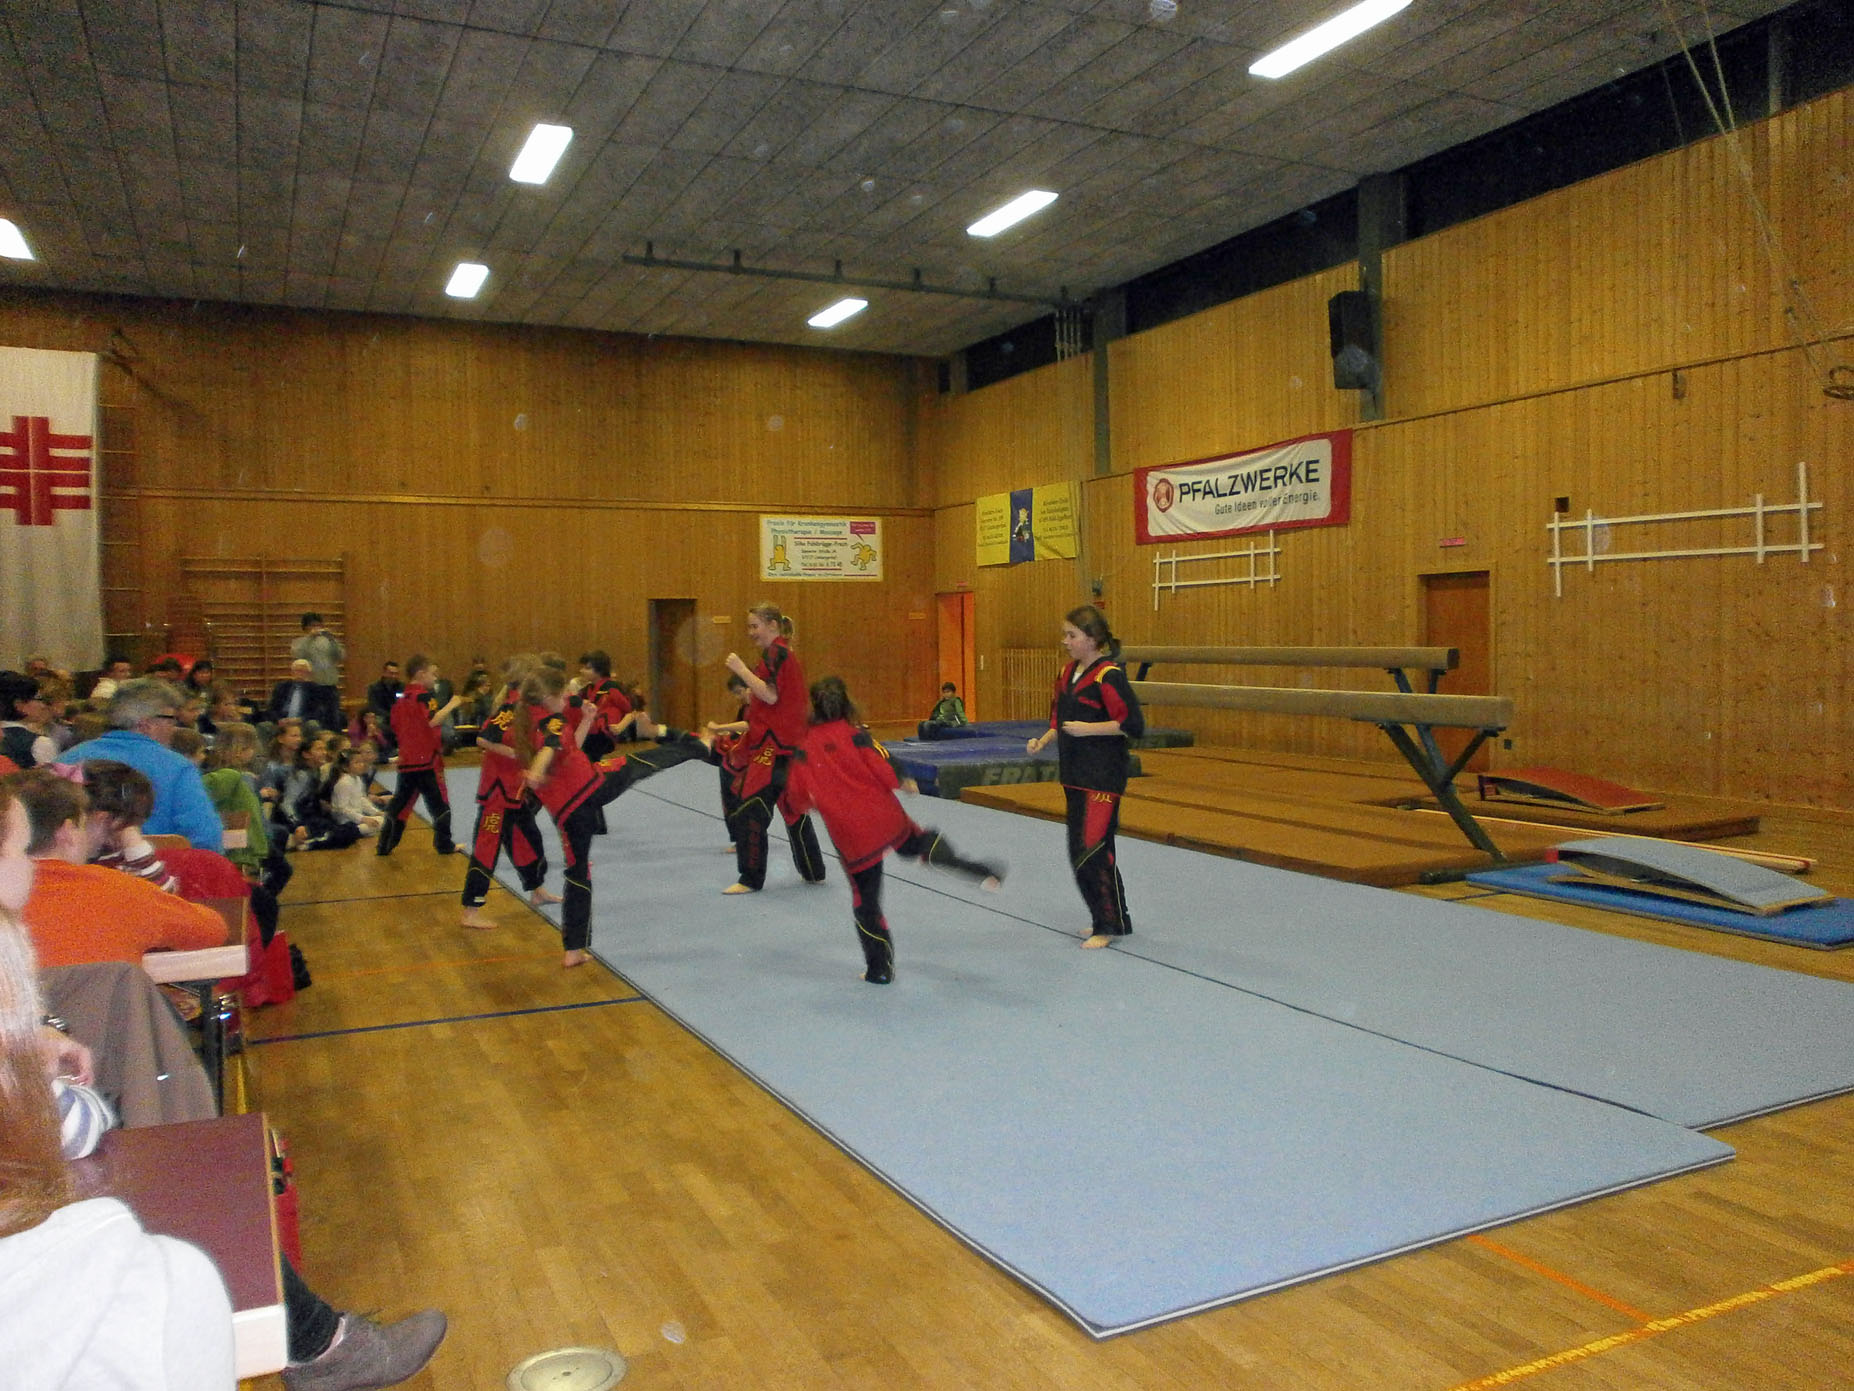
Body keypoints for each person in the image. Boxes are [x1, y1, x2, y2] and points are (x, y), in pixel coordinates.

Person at [786, 677, 1003, 984]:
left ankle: (879, 969)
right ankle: (969, 867)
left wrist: (807, 804)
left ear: (814, 707)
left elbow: (795, 797)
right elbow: (884, 770)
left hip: (852, 836)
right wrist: (903, 780)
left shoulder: (804, 748)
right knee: (918, 842)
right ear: (846, 704)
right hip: (885, 819)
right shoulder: (857, 736)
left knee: (866, 901)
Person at [512, 668, 710, 967]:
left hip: (567, 811)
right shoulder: (552, 721)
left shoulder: (529, 722)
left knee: (577, 874)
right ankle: (698, 746)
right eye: (563, 694)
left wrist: (587, 720)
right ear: (549, 697)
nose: (567, 699)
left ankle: (573, 950)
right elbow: (550, 748)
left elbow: (568, 748)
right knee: (640, 762)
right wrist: (537, 771)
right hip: (590, 788)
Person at [7, 766, 227, 969]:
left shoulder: (8, 904)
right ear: (67, 832)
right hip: (103, 1000)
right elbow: (213, 931)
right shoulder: (121, 890)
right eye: (82, 825)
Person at [1025, 605, 1145, 949]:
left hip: (1102, 776)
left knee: (1090, 849)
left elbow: (1132, 725)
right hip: (1074, 774)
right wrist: (1044, 739)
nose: (1065, 641)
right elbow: (1059, 718)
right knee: (1087, 849)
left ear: (1092, 640)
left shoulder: (1108, 676)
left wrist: (1088, 729)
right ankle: (1113, 917)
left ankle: (1106, 924)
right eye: (1065, 634)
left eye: (1072, 635)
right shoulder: (1067, 673)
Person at [722, 603, 826, 894]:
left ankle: (750, 878)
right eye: (749, 626)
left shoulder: (777, 654)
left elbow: (770, 696)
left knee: (750, 808)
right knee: (792, 808)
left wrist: (741, 670)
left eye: (755, 626)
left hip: (776, 747)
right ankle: (813, 870)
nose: (750, 632)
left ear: (772, 625)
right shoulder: (778, 654)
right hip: (784, 745)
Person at [57, 679, 225, 852]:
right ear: (146, 725)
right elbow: (207, 839)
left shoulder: (66, 760)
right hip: (157, 865)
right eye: (170, 720)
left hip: (76, 865)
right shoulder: (178, 768)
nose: (174, 728)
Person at [460, 656, 554, 929]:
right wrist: (512, 752)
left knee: (528, 839)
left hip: (515, 790)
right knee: (487, 847)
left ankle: (536, 888)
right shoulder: (510, 708)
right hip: (497, 793)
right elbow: (483, 738)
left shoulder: (527, 708)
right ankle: (470, 910)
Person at [377, 655, 462, 858]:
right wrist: (452, 704)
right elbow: (432, 721)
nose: (435, 678)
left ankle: (384, 845)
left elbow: (395, 726)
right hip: (427, 762)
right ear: (421, 674)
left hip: (407, 761)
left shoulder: (401, 699)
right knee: (439, 804)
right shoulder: (425, 697)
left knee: (400, 805)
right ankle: (444, 844)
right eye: (433, 674)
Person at [290, 614, 345, 729]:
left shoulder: (327, 641)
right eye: (312, 625)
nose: (316, 628)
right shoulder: (299, 642)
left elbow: (341, 656)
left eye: (318, 625)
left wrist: (332, 639)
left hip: (330, 685)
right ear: (305, 627)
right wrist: (310, 638)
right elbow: (298, 655)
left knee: (333, 718)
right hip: (310, 687)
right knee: (315, 718)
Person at [0, 670, 58, 768]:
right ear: (19, 705)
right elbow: (51, 777)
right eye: (38, 698)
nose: (43, 706)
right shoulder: (40, 743)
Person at [267, 659, 335, 728]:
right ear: (292, 672)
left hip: (304, 723)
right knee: (265, 726)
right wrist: (278, 720)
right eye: (297, 670)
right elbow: (272, 708)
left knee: (312, 725)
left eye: (303, 671)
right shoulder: (282, 687)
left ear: (309, 674)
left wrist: (300, 720)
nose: (300, 674)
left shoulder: (316, 689)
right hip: (282, 721)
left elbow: (318, 712)